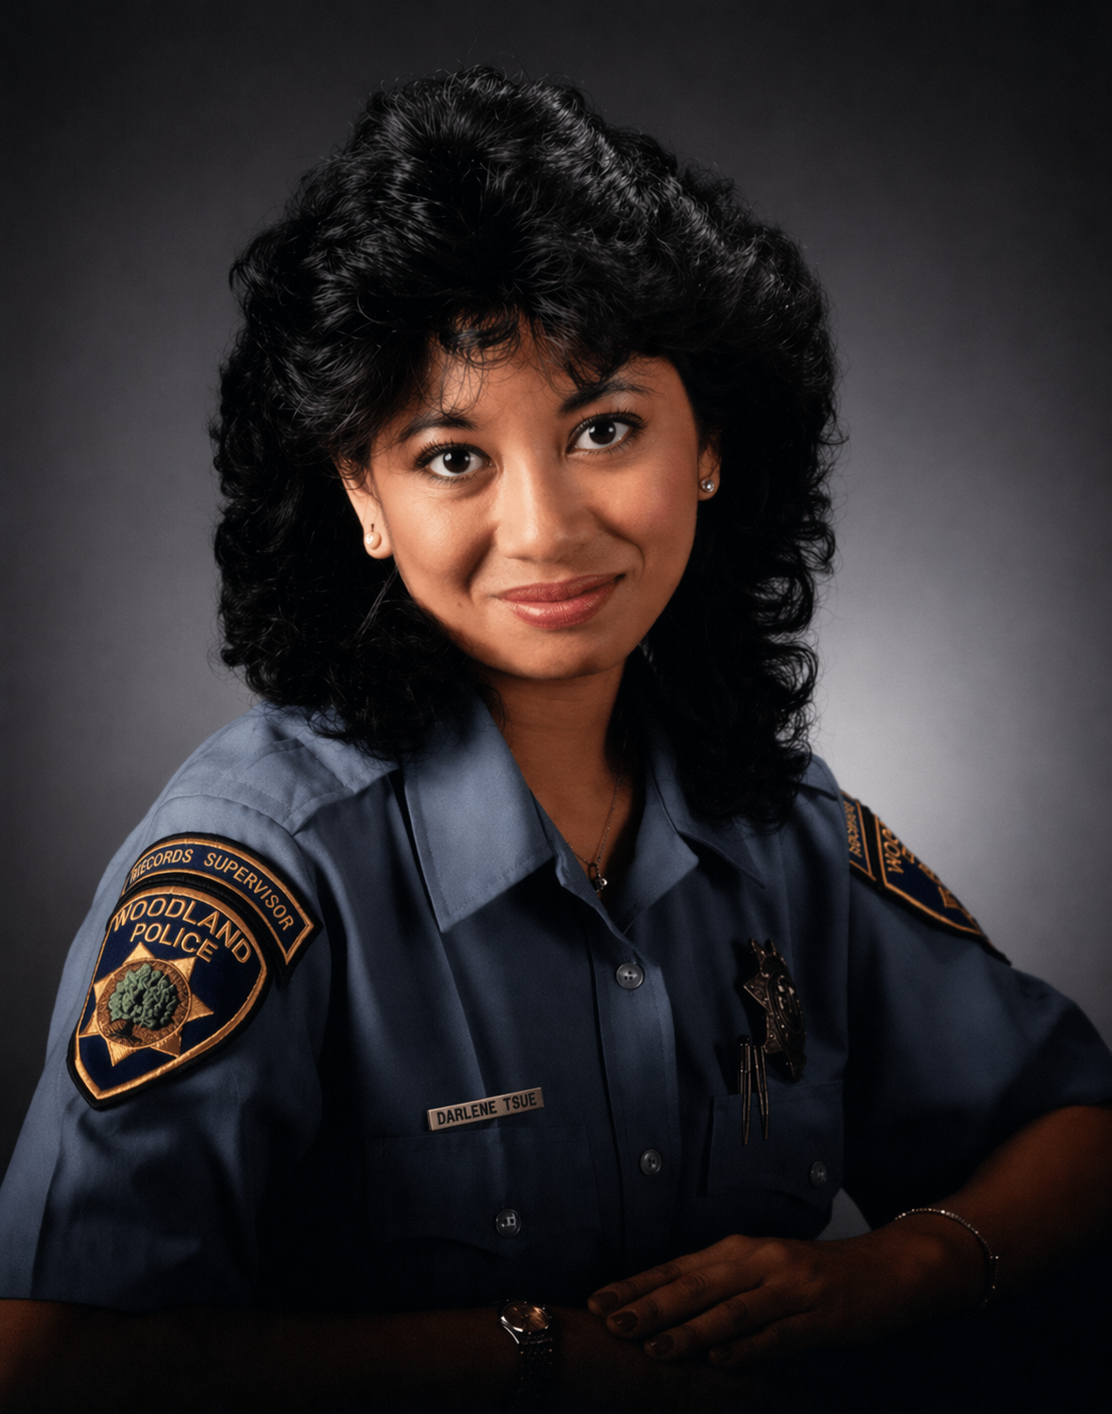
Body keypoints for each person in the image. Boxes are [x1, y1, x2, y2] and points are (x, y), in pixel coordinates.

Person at [1, 67, 1110, 1413]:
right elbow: (48, 1357)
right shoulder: (256, 879)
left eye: (604, 428)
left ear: (709, 443)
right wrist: (538, 1358)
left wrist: (894, 1271)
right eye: (453, 456)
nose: (544, 529)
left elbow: (1077, 1126)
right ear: (362, 491)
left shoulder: (780, 825)